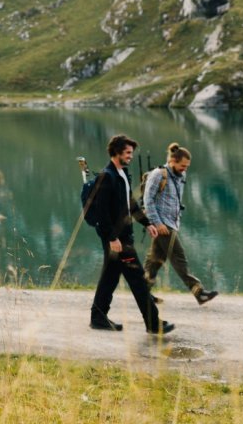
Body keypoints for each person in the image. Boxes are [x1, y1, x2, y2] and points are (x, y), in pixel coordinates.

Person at [90, 134, 174, 335]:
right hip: (118, 240)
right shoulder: (107, 177)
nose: (130, 156)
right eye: (127, 153)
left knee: (110, 277)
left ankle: (98, 317)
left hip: (122, 237)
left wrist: (147, 223)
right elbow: (102, 213)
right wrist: (112, 238)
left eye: (131, 153)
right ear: (116, 152)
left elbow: (131, 204)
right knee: (137, 279)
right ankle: (153, 323)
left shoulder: (121, 175)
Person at [143, 142, 219, 305]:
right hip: (163, 225)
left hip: (172, 223)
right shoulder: (158, 174)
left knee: (155, 261)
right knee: (179, 259)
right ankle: (199, 292)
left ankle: (141, 293)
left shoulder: (181, 176)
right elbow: (147, 200)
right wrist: (157, 223)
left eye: (187, 166)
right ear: (172, 161)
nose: (185, 168)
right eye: (182, 165)